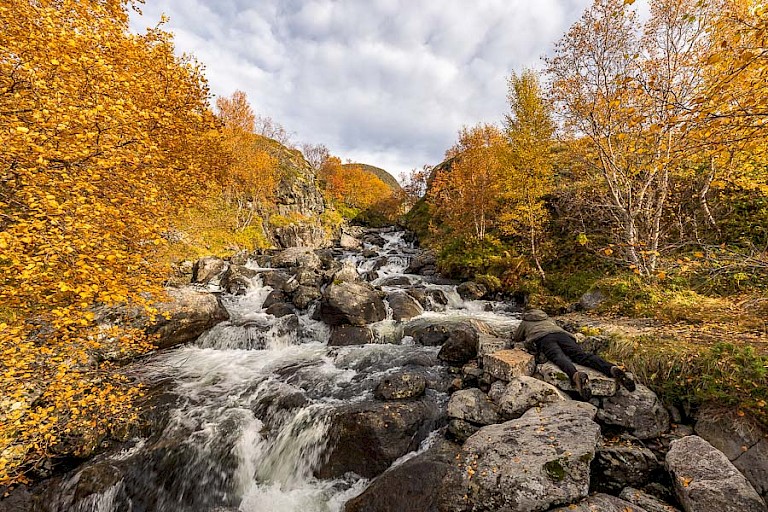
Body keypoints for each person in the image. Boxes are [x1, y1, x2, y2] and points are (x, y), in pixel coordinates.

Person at [513, 308, 635, 400]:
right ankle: (610, 368)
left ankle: (576, 375)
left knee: (558, 357)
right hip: (563, 335)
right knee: (580, 355)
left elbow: (517, 337)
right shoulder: (547, 319)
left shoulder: (525, 321)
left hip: (544, 339)